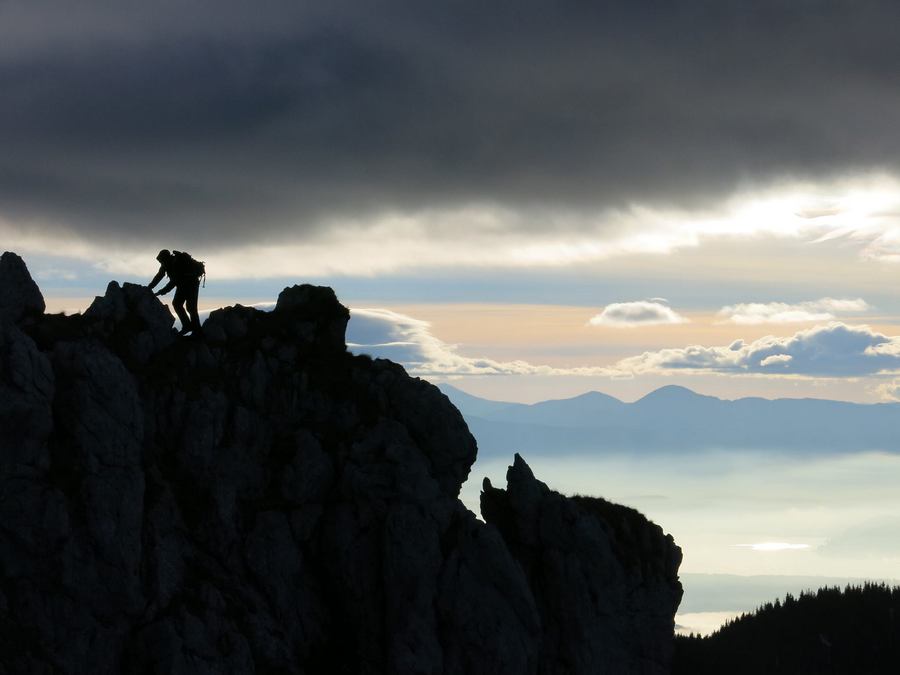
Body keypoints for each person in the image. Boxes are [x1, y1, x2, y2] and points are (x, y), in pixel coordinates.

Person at [149, 249, 205, 335]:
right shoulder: (165, 264)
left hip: (191, 284)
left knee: (191, 307)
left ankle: (197, 331)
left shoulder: (176, 263)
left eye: (161, 261)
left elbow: (173, 282)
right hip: (182, 284)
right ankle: (187, 326)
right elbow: (159, 276)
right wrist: (149, 287)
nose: (161, 263)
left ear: (165, 258)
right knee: (177, 304)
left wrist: (161, 292)